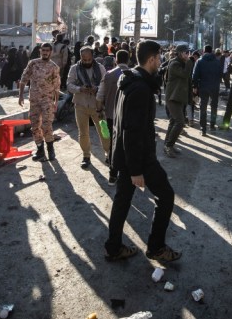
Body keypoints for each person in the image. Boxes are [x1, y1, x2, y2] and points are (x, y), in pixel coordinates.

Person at [104, 40, 182, 263]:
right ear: (151, 59)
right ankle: (156, 248)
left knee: (122, 202)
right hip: (138, 157)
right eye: (159, 57)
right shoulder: (139, 88)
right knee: (166, 196)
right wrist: (136, 170)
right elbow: (132, 131)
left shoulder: (130, 79)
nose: (161, 61)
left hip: (126, 154)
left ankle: (113, 247)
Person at [67, 45, 109, 169]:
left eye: (88, 60)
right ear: (80, 57)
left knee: (104, 131)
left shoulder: (100, 68)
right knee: (83, 132)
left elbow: (105, 84)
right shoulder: (74, 68)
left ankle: (108, 154)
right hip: (80, 104)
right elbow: (69, 85)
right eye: (84, 60)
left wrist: (96, 88)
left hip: (98, 105)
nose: (86, 62)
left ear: (92, 57)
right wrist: (80, 89)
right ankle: (86, 156)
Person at [18, 42, 60, 162]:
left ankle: (51, 149)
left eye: (47, 50)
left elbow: (56, 86)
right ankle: (40, 149)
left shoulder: (54, 67)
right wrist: (21, 96)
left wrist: (56, 102)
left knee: (46, 125)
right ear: (40, 51)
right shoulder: (33, 63)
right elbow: (23, 79)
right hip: (34, 100)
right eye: (43, 50)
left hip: (47, 100)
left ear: (51, 52)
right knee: (35, 126)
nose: (45, 52)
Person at [97, 49, 130, 185]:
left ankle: (112, 175)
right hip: (128, 117)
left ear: (116, 59)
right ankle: (127, 174)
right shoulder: (133, 75)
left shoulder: (108, 75)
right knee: (127, 145)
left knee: (113, 145)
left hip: (111, 116)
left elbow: (100, 96)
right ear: (128, 60)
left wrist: (99, 110)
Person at [163, 44, 191, 157]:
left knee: (173, 121)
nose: (188, 54)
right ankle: (169, 146)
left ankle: (168, 145)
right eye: (186, 52)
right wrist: (189, 62)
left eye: (188, 52)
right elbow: (185, 75)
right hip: (172, 97)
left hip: (177, 97)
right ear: (180, 53)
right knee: (180, 122)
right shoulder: (175, 63)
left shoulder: (180, 63)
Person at [192, 45, 223, 136]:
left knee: (203, 108)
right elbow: (221, 74)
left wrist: (195, 86)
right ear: (212, 51)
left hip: (203, 87)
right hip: (214, 87)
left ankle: (203, 128)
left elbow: (195, 75)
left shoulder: (199, 61)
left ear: (204, 51)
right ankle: (212, 125)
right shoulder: (217, 61)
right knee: (214, 106)